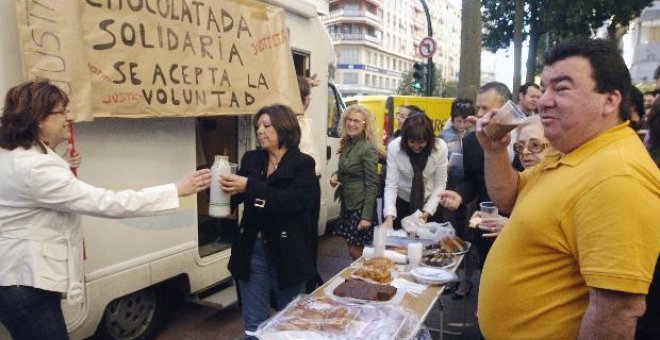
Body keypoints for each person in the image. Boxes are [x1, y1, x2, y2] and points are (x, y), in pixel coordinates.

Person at [0, 79, 212, 340]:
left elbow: (33, 193)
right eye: (62, 111)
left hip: (13, 281)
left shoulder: (14, 155)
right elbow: (108, 202)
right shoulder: (38, 168)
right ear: (39, 119)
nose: (69, 118)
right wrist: (176, 190)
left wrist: (61, 163)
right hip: (27, 287)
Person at [476, 39, 660, 339]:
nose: (543, 100)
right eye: (544, 88)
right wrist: (494, 150)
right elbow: (510, 197)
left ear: (610, 100)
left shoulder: (617, 177)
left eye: (561, 89)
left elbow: (617, 311)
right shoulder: (571, 151)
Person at [220, 104, 320, 339]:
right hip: (253, 251)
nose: (260, 132)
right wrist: (220, 189)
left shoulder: (303, 164)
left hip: (288, 252)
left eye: (267, 126)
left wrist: (250, 188)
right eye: (258, 127)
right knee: (253, 325)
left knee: (288, 322)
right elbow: (242, 195)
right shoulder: (252, 159)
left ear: (284, 128)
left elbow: (292, 203)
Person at [439, 82, 512, 300]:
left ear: (506, 107)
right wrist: (460, 195)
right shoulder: (472, 140)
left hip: (522, 220)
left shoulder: (530, 135)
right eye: (477, 109)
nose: (479, 115)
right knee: (489, 269)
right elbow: (472, 179)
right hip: (486, 219)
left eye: (484, 108)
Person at [382, 112, 448, 229]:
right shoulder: (395, 147)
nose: (416, 147)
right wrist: (389, 216)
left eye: (421, 143)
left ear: (429, 139)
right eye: (411, 142)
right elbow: (391, 185)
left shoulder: (440, 148)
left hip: (429, 201)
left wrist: (428, 211)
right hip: (402, 201)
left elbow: (440, 185)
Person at [330, 105, 379, 260]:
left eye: (357, 121)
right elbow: (348, 169)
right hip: (348, 203)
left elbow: (372, 184)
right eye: (349, 120)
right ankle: (362, 279)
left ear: (365, 124)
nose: (352, 124)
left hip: (360, 205)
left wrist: (366, 216)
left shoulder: (367, 148)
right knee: (352, 247)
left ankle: (367, 279)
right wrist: (336, 175)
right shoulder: (349, 143)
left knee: (355, 249)